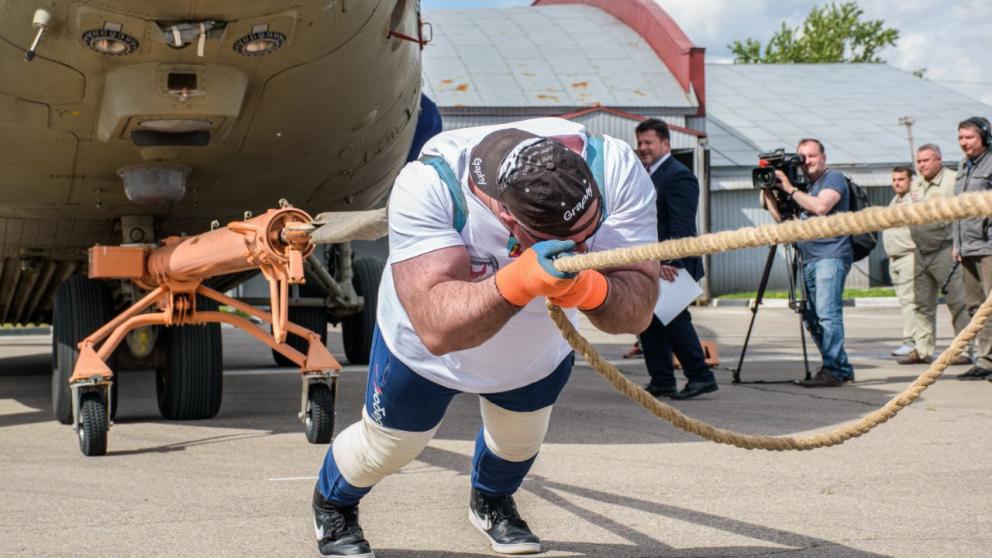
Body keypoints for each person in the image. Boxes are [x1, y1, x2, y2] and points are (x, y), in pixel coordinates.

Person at [311, 117, 660, 557]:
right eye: (568, 240)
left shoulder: (614, 166)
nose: (583, 250)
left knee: (518, 442)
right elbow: (437, 328)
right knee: (390, 448)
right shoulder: (431, 185)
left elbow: (638, 311)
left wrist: (589, 286)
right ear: (505, 215)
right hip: (426, 355)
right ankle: (333, 506)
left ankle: (492, 503)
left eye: (590, 232)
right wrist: (519, 283)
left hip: (534, 352)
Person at [633, 118, 717, 400]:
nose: (643, 148)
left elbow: (681, 226)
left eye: (649, 142)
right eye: (640, 142)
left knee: (675, 321)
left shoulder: (677, 175)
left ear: (665, 144)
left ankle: (701, 376)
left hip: (671, 264)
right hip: (652, 263)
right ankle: (662, 380)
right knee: (650, 323)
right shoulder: (648, 174)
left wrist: (669, 262)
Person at [762, 138, 855, 387]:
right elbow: (782, 219)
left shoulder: (832, 178)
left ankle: (833, 370)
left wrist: (790, 188)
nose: (807, 162)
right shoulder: (806, 186)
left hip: (831, 255)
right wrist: (769, 190)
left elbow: (822, 206)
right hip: (807, 258)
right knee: (810, 316)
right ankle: (841, 367)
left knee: (827, 315)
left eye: (812, 156)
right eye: (802, 157)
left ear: (823, 157)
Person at [899, 144, 972, 366]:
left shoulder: (953, 180)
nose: (922, 165)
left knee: (957, 302)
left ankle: (963, 350)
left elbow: (964, 214)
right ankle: (922, 350)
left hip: (946, 249)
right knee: (921, 304)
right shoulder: (916, 185)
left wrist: (959, 245)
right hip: (920, 251)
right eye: (919, 161)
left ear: (938, 160)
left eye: (926, 160)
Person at [952, 116, 992, 381]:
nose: (964, 143)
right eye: (961, 138)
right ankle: (986, 361)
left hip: (988, 246)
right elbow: (957, 209)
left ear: (985, 138)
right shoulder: (963, 166)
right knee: (975, 308)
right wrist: (957, 243)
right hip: (967, 247)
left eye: (970, 137)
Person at [884, 166, 918, 359]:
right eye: (894, 179)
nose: (897, 183)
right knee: (904, 300)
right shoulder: (895, 201)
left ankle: (910, 341)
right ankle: (911, 340)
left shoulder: (913, 200)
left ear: (910, 180)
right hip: (894, 258)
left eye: (901, 179)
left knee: (910, 301)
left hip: (908, 255)